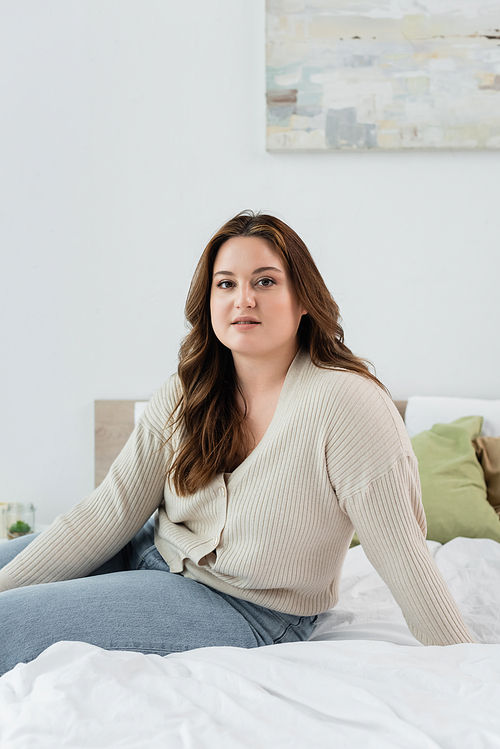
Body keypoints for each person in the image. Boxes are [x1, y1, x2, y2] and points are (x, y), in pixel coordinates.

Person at [0, 211, 474, 676]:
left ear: (303, 298)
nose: (243, 298)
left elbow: (401, 549)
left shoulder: (347, 402)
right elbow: (112, 510)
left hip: (243, 607)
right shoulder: (189, 388)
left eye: (265, 281)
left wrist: (472, 669)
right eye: (226, 284)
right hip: (145, 551)